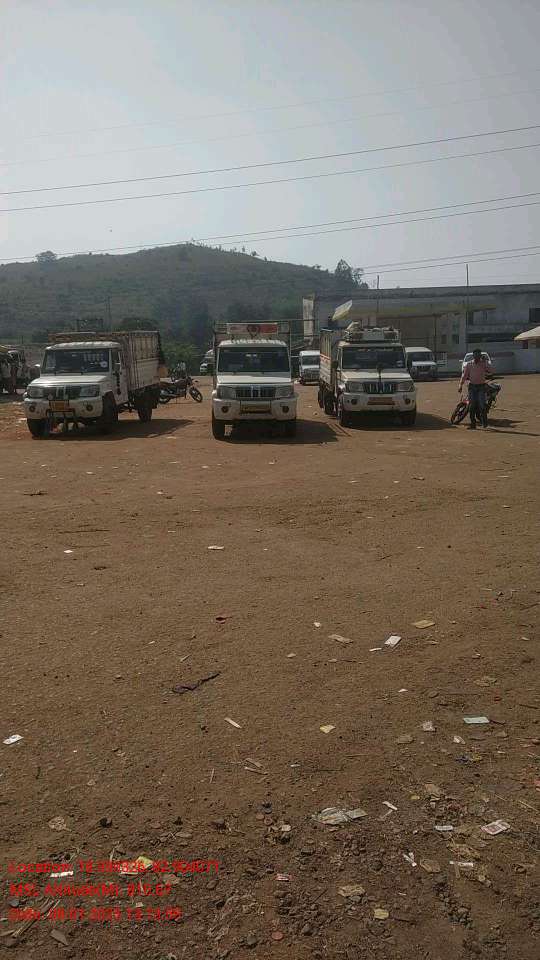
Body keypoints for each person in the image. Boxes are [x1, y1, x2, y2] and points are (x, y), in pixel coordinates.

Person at [459, 349, 492, 429]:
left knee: (482, 405)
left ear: (480, 356)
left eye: (478, 355)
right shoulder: (469, 364)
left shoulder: (483, 364)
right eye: (475, 355)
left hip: (481, 387)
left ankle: (484, 423)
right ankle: (473, 424)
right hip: (472, 387)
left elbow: (491, 371)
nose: (477, 357)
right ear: (473, 356)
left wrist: (486, 362)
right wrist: (460, 385)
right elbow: (464, 376)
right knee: (471, 406)